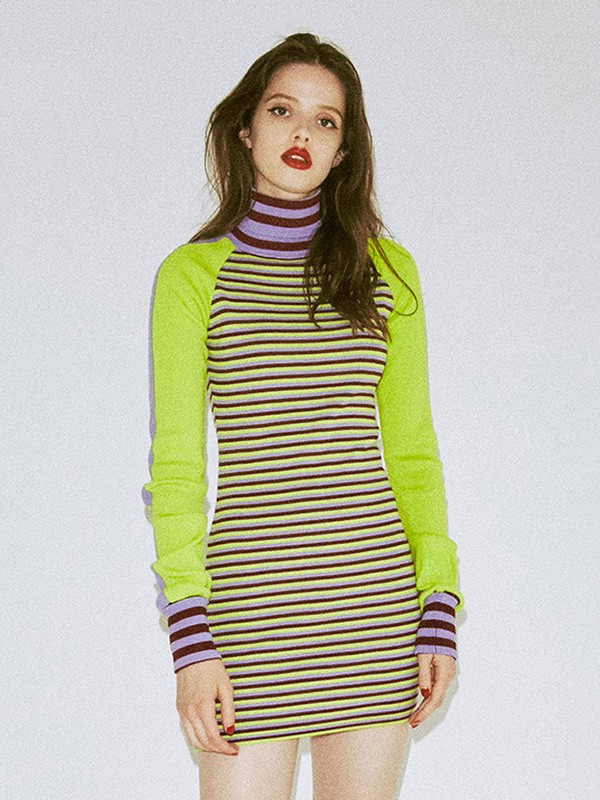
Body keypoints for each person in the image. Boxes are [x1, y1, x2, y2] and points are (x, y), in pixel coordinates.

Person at [142, 31, 464, 800]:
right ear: (245, 128)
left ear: (345, 149)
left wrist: (439, 604)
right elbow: (177, 469)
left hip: (374, 612)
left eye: (326, 121)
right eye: (283, 110)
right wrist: (191, 642)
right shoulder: (193, 275)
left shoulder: (388, 272)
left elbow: (413, 453)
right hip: (247, 616)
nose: (302, 133)